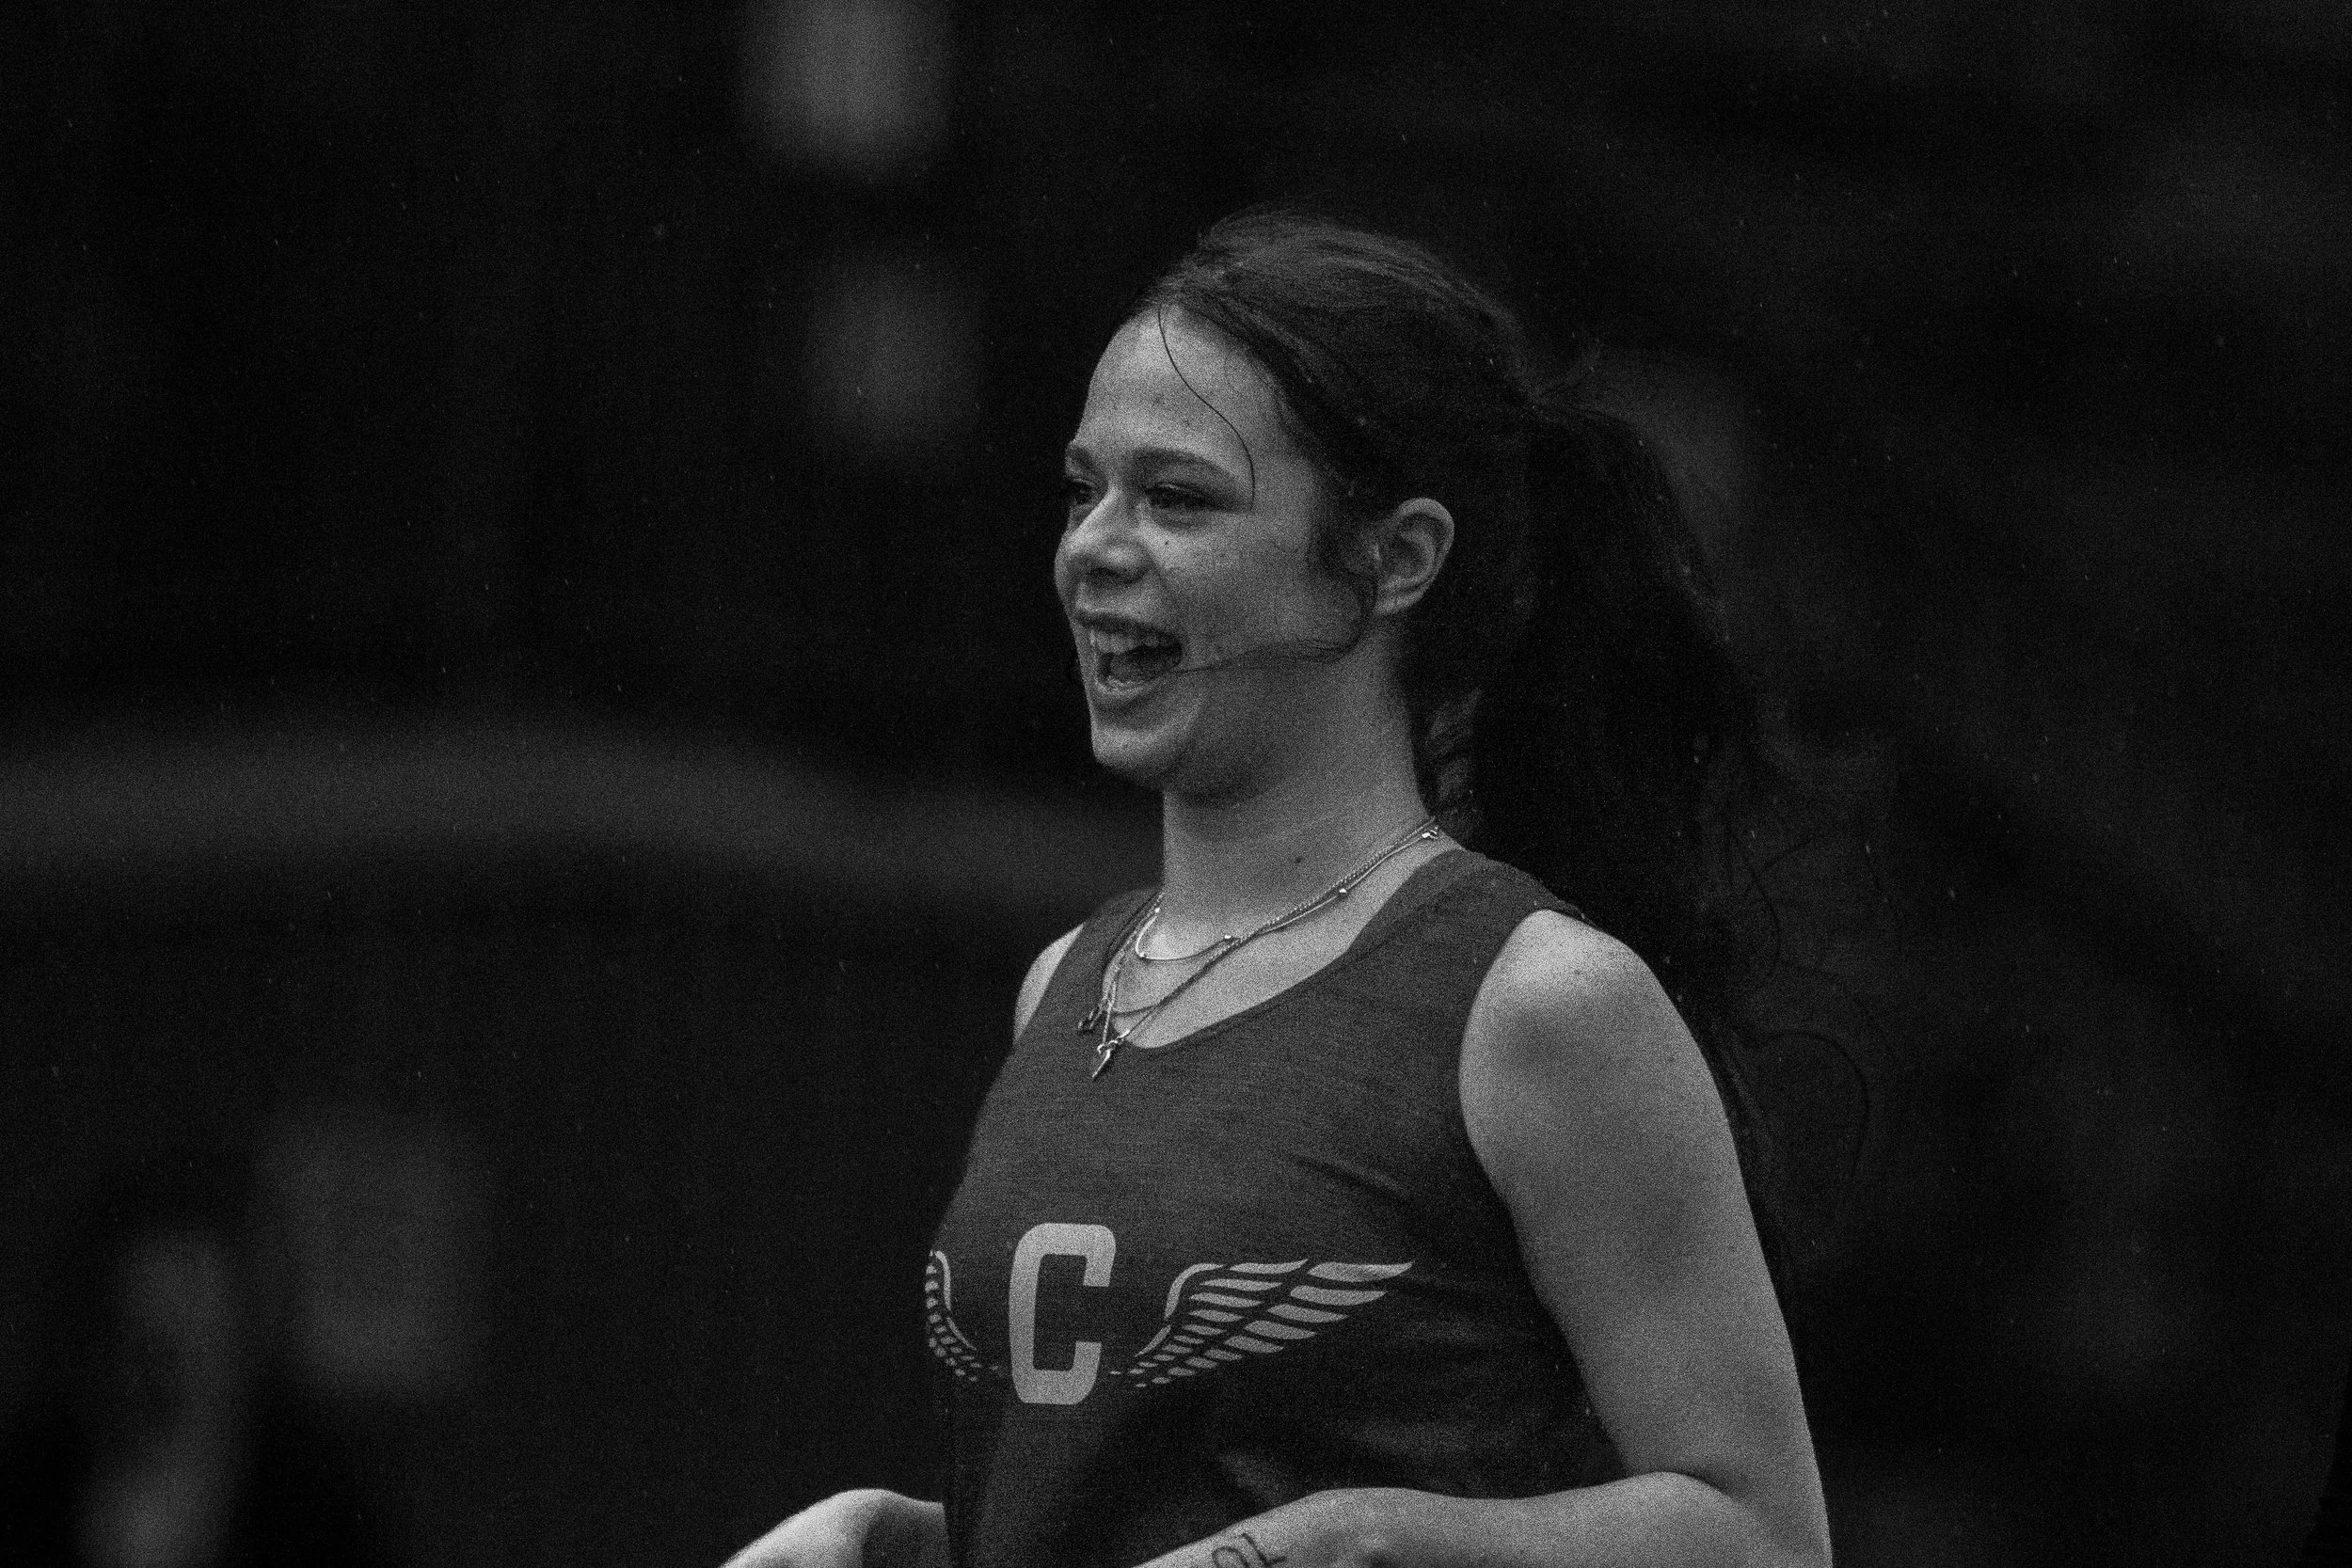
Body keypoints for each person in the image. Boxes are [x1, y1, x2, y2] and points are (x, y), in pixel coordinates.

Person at [728, 211, 1833, 1568]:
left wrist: (1375, 1541)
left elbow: (1766, 1536)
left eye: (1178, 498)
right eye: (1084, 490)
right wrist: (892, 1543)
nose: (1093, 547)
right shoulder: (1066, 982)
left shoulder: (1537, 1000)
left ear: (1396, 557)